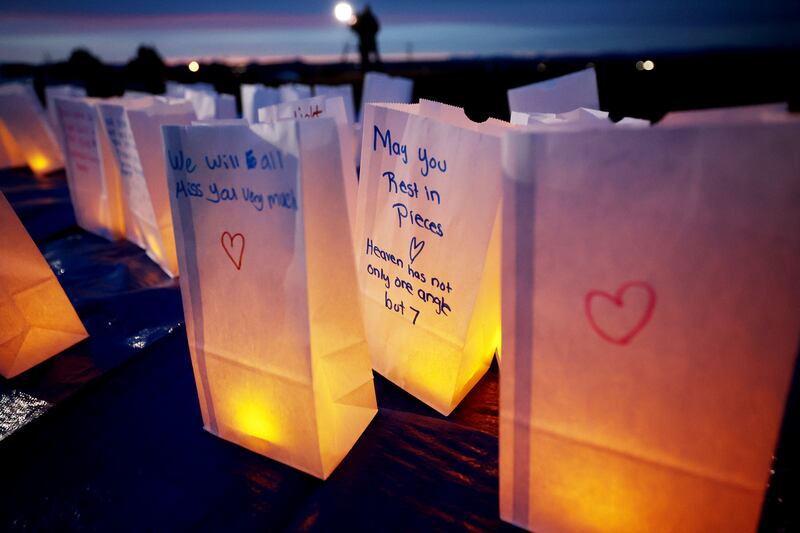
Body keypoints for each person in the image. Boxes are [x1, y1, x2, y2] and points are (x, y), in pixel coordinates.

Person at [350, 5, 381, 71]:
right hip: (365, 42)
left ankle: (375, 69)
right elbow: (354, 27)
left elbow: (376, 28)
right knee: (365, 58)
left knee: (371, 58)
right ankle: (368, 70)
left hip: (368, 42)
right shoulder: (365, 18)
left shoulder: (367, 18)